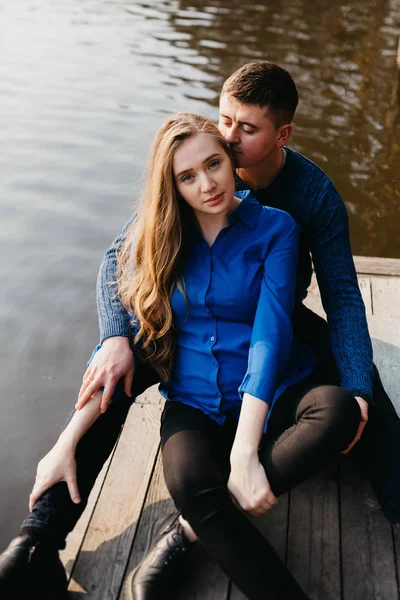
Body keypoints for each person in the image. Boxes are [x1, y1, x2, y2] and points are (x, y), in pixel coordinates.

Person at [0, 60, 398, 595]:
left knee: (364, 404)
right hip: (190, 321)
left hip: (276, 316)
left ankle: (198, 529)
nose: (227, 139)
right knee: (113, 367)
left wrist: (354, 381)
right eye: (224, 119)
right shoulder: (190, 172)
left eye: (245, 129)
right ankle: (37, 541)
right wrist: (116, 335)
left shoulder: (309, 197)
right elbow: (119, 256)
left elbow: (344, 297)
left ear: (282, 135)